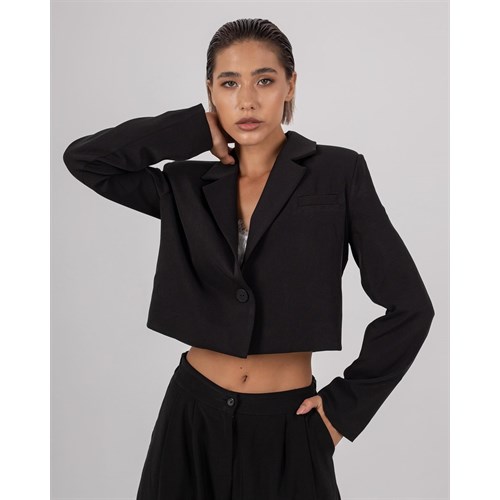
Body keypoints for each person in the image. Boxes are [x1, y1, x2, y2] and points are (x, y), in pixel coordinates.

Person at [63, 18, 435, 500]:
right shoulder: (185, 184)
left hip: (289, 425)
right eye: (229, 83)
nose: (247, 101)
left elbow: (410, 307)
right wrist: (193, 128)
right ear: (210, 92)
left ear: (290, 85)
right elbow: (86, 160)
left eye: (264, 80)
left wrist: (342, 412)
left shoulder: (338, 172)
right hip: (190, 417)